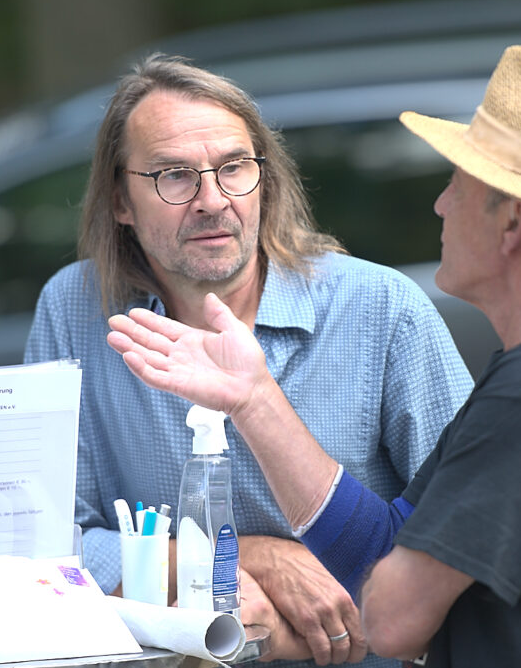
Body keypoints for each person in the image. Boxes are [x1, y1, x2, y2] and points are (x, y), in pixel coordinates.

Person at [107, 45, 521, 667]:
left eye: (459, 185)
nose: (441, 204)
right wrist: (255, 399)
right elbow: (389, 548)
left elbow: (391, 619)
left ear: (514, 222)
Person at [24, 53, 474, 667]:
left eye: (234, 168)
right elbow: (46, 546)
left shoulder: (380, 310)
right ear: (120, 202)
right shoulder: (75, 309)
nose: (213, 200)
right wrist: (241, 555)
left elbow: (466, 540)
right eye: (173, 176)